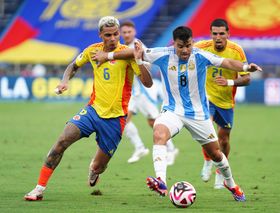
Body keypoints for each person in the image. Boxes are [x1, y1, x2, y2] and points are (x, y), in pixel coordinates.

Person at [93, 26, 261, 201]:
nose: (185, 50)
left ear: (192, 42)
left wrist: (246, 66)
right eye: (180, 46)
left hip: (198, 115)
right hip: (172, 111)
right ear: (174, 44)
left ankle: (231, 183)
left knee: (216, 154)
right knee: (158, 133)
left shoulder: (201, 56)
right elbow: (134, 52)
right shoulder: (164, 54)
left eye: (188, 45)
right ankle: (161, 181)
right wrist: (108, 56)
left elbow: (226, 62)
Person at [24, 16, 153, 201]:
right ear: (100, 34)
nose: (113, 38)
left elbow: (147, 83)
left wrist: (139, 61)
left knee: (99, 166)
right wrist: (64, 81)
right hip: (92, 111)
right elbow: (73, 65)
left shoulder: (127, 54)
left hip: (116, 119)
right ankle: (38, 188)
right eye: (108, 35)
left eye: (116, 34)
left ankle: (94, 170)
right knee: (61, 141)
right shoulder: (92, 51)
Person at [194, 18, 251, 189]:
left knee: (224, 139)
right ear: (210, 34)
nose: (218, 37)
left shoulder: (236, 50)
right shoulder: (201, 47)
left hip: (226, 101)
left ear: (228, 34)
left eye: (221, 33)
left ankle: (220, 172)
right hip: (206, 97)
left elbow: (247, 78)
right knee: (207, 130)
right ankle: (207, 161)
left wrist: (229, 82)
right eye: (214, 33)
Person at [120, 20, 179, 165]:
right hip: (133, 92)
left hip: (143, 92)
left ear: (134, 32)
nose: (127, 34)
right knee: (123, 120)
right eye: (124, 32)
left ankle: (171, 149)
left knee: (154, 122)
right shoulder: (122, 47)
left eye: (129, 32)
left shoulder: (137, 46)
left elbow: (148, 63)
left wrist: (138, 63)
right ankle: (139, 147)